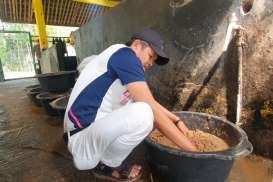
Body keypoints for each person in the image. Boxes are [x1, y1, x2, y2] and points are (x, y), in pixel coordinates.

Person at [63, 28, 197, 181]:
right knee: (144, 113)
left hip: (89, 134)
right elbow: (150, 108)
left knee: (139, 107)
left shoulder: (123, 62)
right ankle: (108, 165)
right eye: (151, 56)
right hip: (80, 139)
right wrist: (193, 151)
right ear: (137, 45)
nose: (151, 63)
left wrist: (177, 120)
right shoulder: (126, 55)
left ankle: (106, 163)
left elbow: (151, 102)